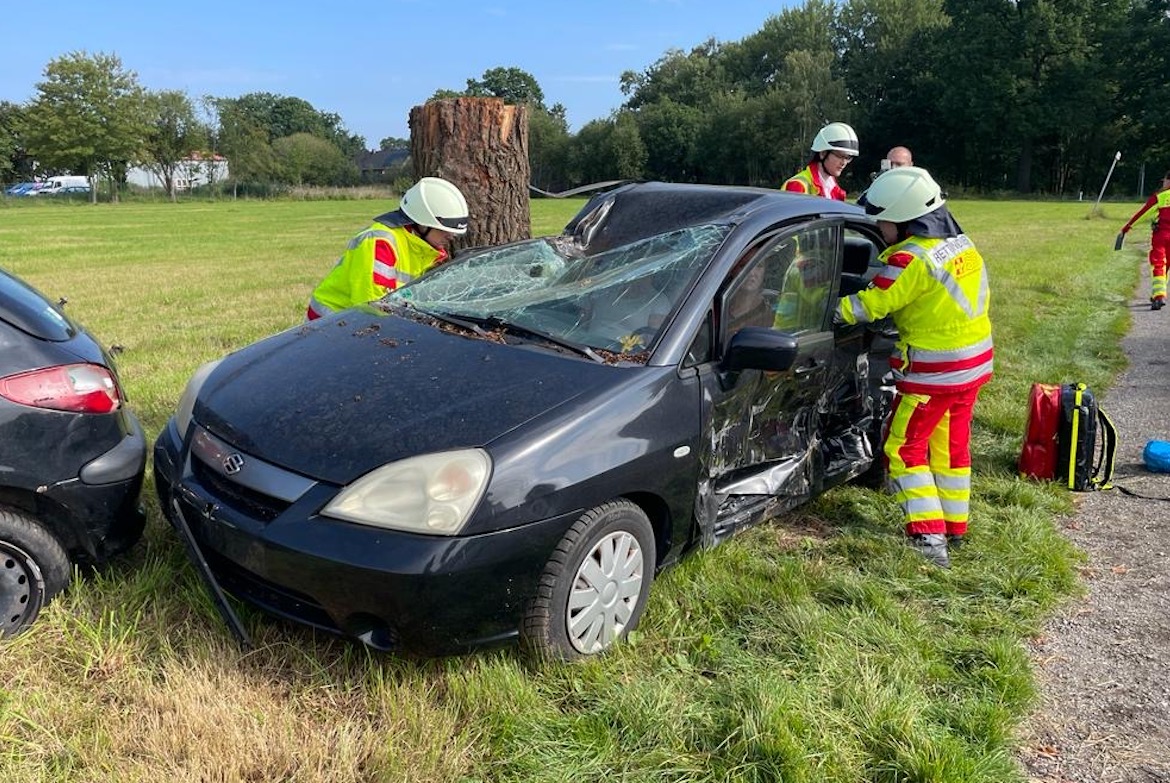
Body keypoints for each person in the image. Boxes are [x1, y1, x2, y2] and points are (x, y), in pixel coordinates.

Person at [836, 166, 993, 568]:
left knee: (904, 450)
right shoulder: (961, 244)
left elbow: (871, 305)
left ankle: (928, 538)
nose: (880, 228)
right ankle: (955, 526)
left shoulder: (911, 259)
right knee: (951, 446)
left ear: (905, 219)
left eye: (884, 220)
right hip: (973, 365)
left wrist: (828, 310)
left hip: (934, 374)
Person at [306, 176, 469, 320]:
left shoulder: (423, 249)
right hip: (331, 324)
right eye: (444, 230)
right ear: (421, 222)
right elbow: (373, 308)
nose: (450, 236)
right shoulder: (381, 242)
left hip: (358, 323)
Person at [1118, 171, 1170, 310]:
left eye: (1164, 180)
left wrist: (1126, 228)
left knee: (1159, 264)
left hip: (1161, 237)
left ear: (1168, 181)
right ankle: (1158, 295)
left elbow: (1142, 214)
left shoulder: (1160, 197)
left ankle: (1159, 296)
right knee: (1167, 266)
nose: (1163, 183)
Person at [782, 122, 859, 200]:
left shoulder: (834, 189)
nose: (844, 163)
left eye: (848, 157)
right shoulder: (798, 185)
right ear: (823, 153)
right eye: (839, 156)